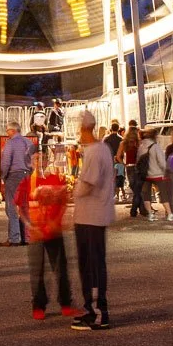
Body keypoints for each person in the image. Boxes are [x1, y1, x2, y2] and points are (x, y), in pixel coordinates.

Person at [15, 145, 74, 321]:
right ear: (31, 162)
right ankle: (39, 305)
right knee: (37, 271)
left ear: (47, 161)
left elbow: (64, 202)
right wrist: (28, 225)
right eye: (35, 159)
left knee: (60, 269)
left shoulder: (57, 179)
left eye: (42, 159)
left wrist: (60, 221)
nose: (39, 162)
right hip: (37, 233)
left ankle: (66, 303)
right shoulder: (26, 182)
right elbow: (19, 206)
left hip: (53, 231)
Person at [70, 111, 113, 330]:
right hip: (90, 216)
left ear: (85, 129)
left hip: (92, 217)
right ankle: (90, 307)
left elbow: (88, 183)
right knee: (88, 264)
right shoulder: (99, 150)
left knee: (93, 265)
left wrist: (72, 192)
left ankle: (98, 312)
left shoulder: (95, 152)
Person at [0, 122, 34, 245]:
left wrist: (3, 177)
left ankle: (14, 238)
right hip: (26, 176)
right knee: (24, 207)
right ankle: (27, 237)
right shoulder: (29, 143)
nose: (7, 133)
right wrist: (29, 173)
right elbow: (33, 161)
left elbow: (6, 162)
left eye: (7, 130)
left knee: (11, 207)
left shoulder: (10, 143)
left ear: (12, 131)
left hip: (13, 176)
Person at [123, 124, 148, 218]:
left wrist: (124, 163)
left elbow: (117, 156)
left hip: (129, 167)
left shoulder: (124, 143)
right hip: (137, 167)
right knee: (138, 190)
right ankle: (138, 210)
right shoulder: (139, 143)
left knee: (136, 190)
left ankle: (137, 210)